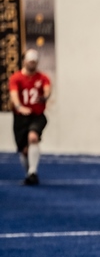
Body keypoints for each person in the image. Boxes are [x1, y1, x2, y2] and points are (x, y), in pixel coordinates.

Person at [9, 49, 52, 185]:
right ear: (25, 61)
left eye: (34, 61)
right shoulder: (16, 78)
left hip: (37, 115)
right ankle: (30, 175)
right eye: (30, 61)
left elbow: (47, 89)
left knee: (33, 138)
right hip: (21, 117)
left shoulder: (42, 78)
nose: (32, 64)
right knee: (25, 150)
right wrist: (19, 107)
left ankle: (33, 171)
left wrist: (44, 97)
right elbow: (14, 94)